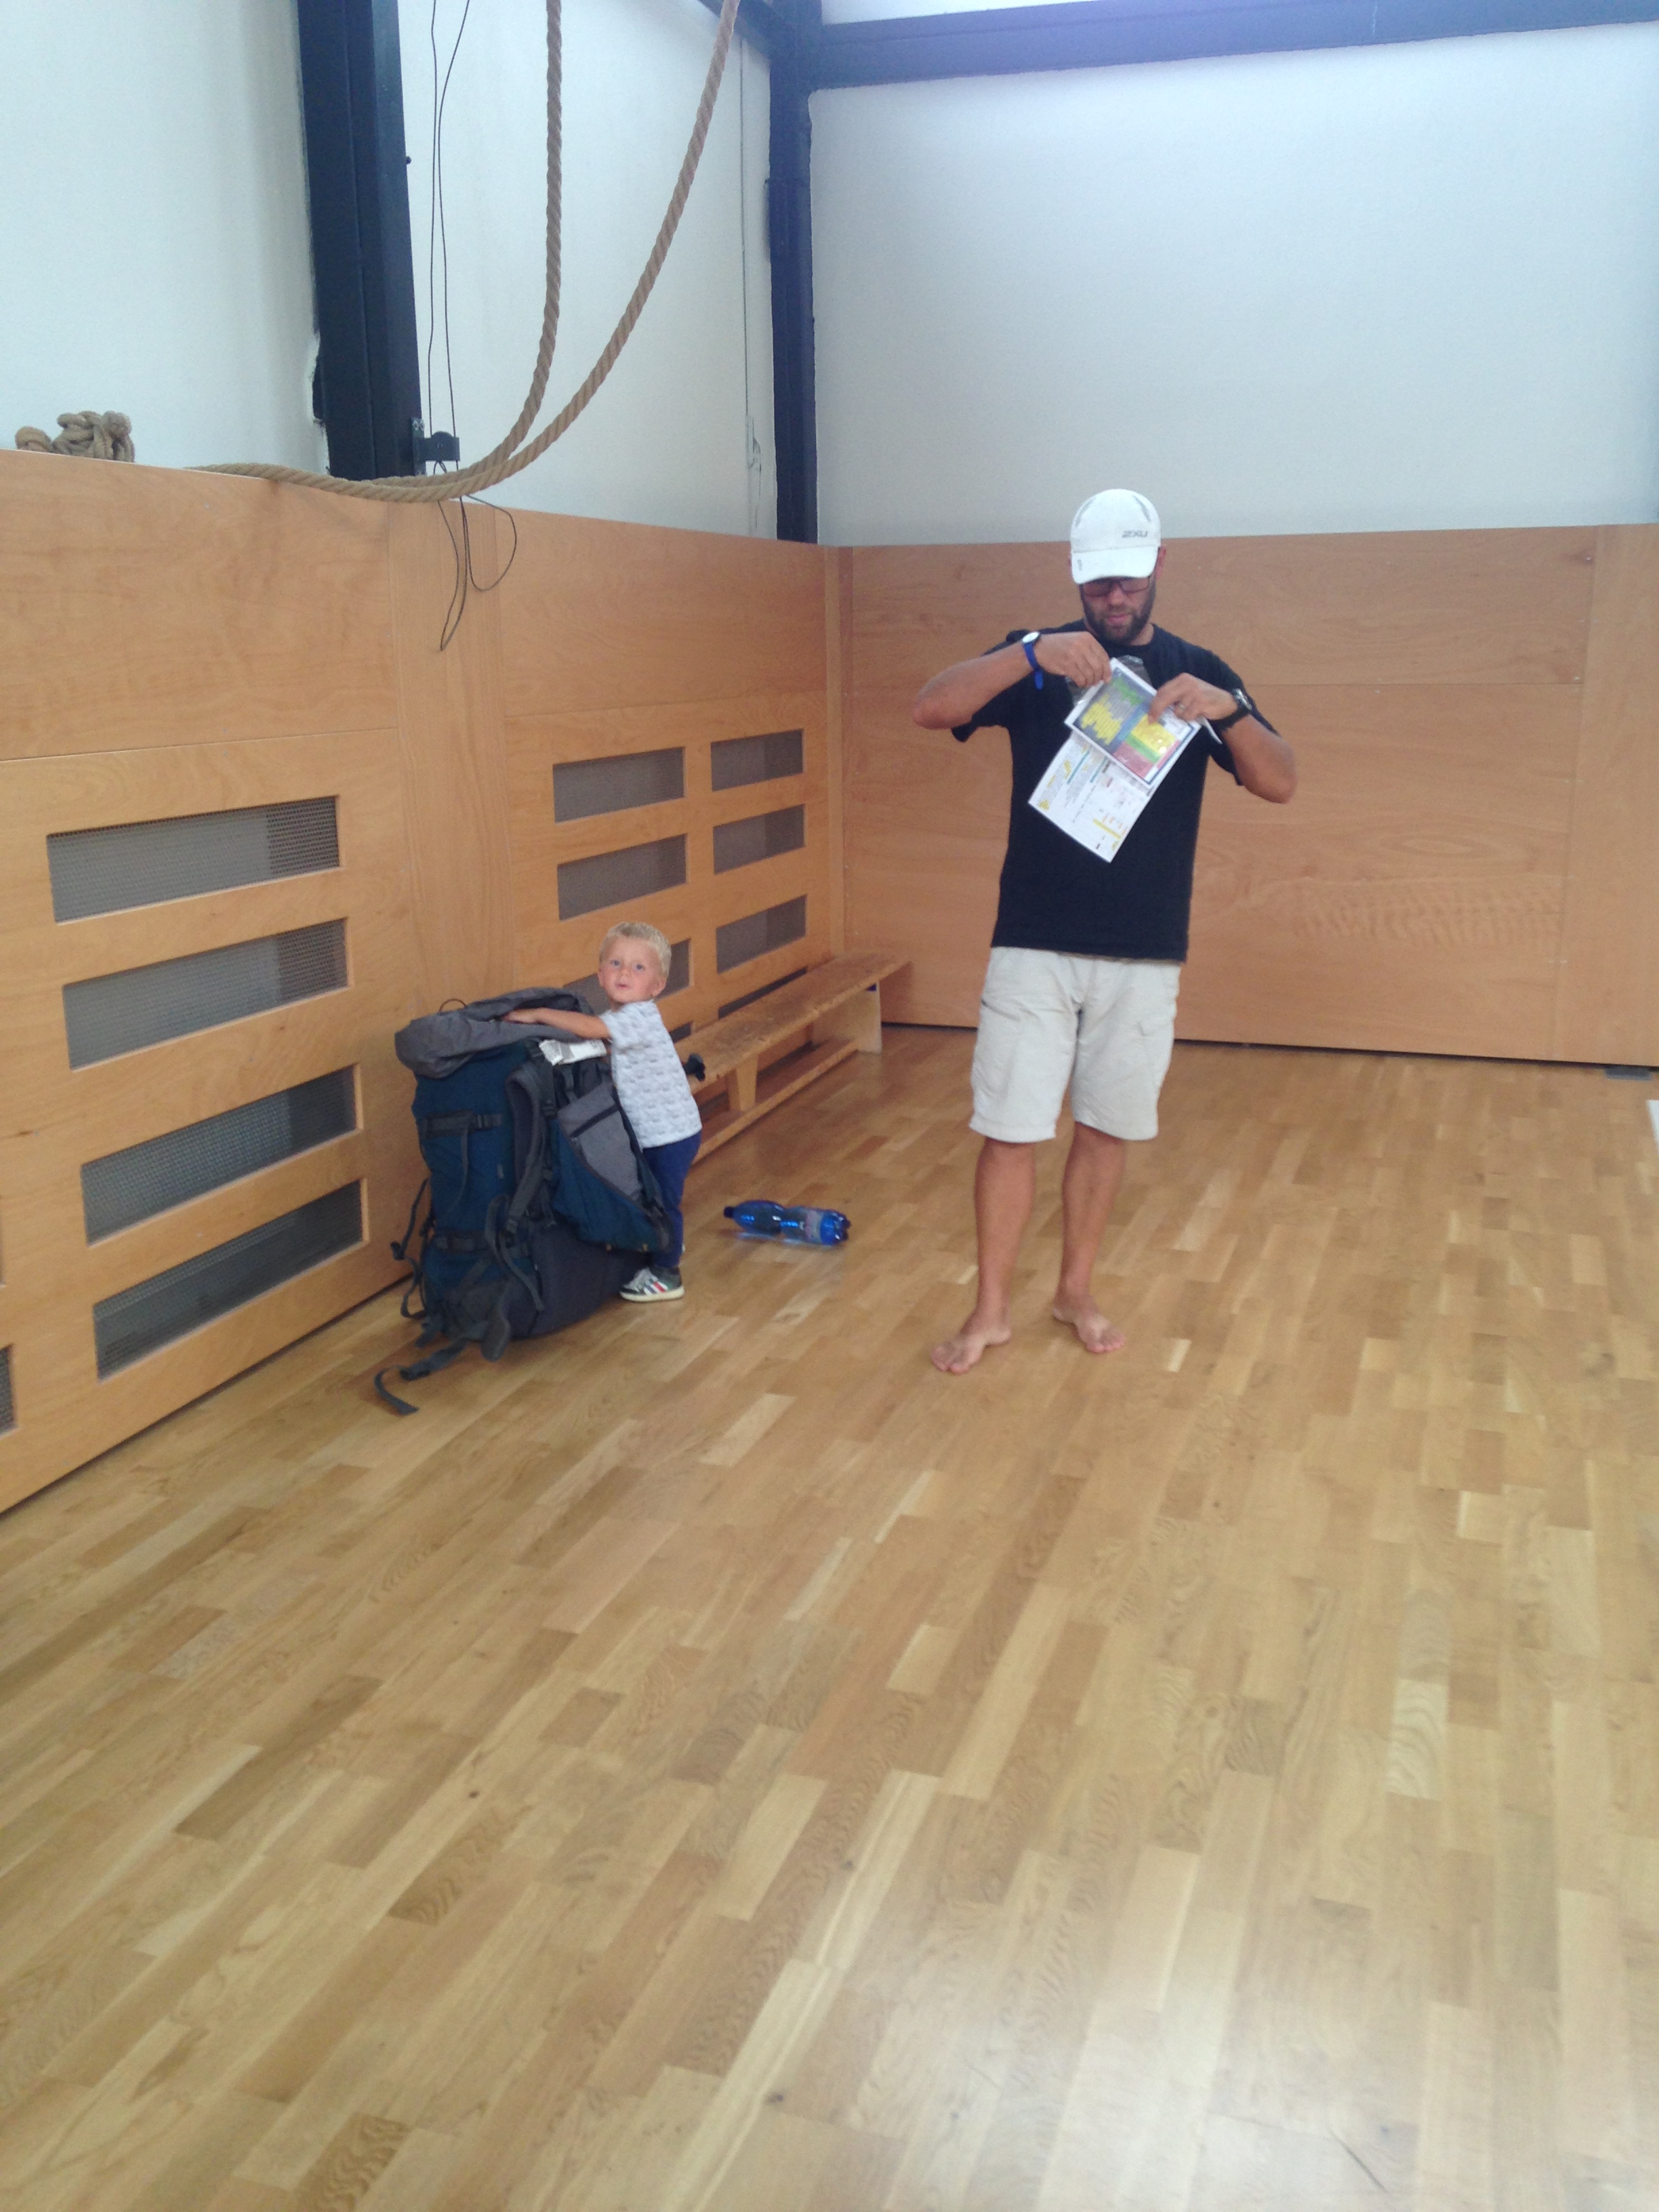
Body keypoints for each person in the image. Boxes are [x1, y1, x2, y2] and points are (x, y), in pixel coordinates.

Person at [912, 489, 1297, 1374]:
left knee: (1105, 1128)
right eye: (1096, 584)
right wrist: (1027, 654)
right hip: (1033, 943)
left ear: (1156, 565)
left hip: (1146, 948)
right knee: (1010, 1129)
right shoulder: (1037, 658)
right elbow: (931, 707)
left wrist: (1228, 710)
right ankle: (991, 1311)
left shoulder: (1199, 671)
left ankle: (1075, 1291)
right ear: (1076, 574)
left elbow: (1280, 781)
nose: (1113, 599)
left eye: (1126, 581)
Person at [506, 921, 702, 1301]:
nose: (624, 972)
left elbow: (592, 1028)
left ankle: (667, 1273)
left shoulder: (640, 1016)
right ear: (600, 975)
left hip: (670, 1135)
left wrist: (539, 1014)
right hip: (656, 1132)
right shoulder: (623, 1020)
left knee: (663, 1202)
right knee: (652, 1196)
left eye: (638, 967)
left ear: (657, 986)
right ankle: (664, 1244)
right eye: (615, 963)